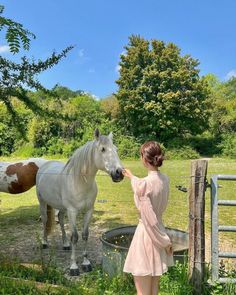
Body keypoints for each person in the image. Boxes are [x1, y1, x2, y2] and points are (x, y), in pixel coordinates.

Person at [122, 141, 174, 295]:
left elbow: (149, 219)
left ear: (144, 159)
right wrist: (131, 176)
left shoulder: (145, 185)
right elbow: (145, 185)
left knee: (143, 293)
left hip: (148, 235)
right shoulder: (165, 180)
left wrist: (165, 241)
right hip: (159, 230)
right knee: (153, 291)